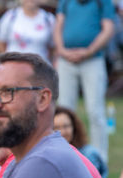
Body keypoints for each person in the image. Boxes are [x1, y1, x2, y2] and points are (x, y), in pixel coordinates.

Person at [54, 0, 114, 163]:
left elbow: (108, 29)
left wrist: (89, 51)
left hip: (93, 60)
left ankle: (99, 159)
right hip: (67, 61)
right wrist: (62, 51)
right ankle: (64, 155)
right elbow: (58, 26)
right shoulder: (66, 2)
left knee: (96, 112)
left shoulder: (103, 2)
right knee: (64, 111)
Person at [54, 106, 108, 178]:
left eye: (66, 126)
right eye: (56, 128)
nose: (62, 132)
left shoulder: (89, 154)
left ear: (74, 127)